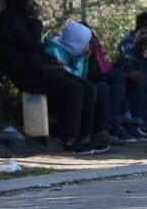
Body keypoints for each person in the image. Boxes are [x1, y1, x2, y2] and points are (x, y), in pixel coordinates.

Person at [0, 0, 93, 154]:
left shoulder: (22, 19)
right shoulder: (8, 20)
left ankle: (86, 136)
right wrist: (37, 21)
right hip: (25, 72)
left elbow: (35, 47)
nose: (34, 4)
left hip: (38, 67)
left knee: (87, 87)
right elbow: (31, 44)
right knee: (75, 90)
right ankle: (68, 138)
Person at [42, 21, 111, 153]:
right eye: (86, 43)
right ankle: (72, 138)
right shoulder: (54, 51)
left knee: (97, 88)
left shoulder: (74, 52)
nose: (87, 47)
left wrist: (83, 59)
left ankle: (90, 136)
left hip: (70, 91)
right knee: (84, 89)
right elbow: (72, 78)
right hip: (55, 95)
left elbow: (81, 78)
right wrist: (82, 59)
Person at [84, 26, 147, 143]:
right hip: (90, 82)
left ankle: (124, 125)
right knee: (115, 78)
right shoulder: (83, 52)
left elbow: (106, 68)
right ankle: (123, 124)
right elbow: (91, 75)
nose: (94, 40)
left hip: (106, 80)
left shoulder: (98, 52)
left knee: (121, 86)